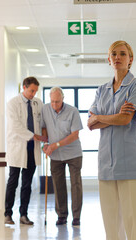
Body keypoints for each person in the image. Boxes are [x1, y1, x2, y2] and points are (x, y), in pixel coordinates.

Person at [87, 41, 136, 240]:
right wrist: (102, 118)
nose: (117, 57)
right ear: (108, 59)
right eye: (113, 54)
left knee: (134, 221)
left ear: (130, 59)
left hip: (129, 162)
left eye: (122, 54)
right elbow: (90, 123)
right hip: (106, 163)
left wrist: (100, 117)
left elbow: (125, 119)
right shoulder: (101, 90)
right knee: (111, 223)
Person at [4, 76, 47, 225]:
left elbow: (43, 122)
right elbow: (15, 126)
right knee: (13, 181)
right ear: (24, 87)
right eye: (31, 90)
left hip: (31, 149)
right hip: (17, 148)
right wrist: (35, 136)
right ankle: (8, 214)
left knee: (27, 184)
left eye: (35, 91)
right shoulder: (13, 103)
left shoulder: (38, 103)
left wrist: (44, 135)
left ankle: (24, 215)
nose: (33, 93)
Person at [42, 87, 83, 226]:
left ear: (63, 99)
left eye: (57, 102)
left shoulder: (73, 111)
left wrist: (56, 144)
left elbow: (75, 135)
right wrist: (46, 144)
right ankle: (62, 216)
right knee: (58, 185)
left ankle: (76, 217)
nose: (54, 105)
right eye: (52, 101)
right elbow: (44, 128)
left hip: (73, 153)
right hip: (55, 155)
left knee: (75, 184)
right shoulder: (45, 109)